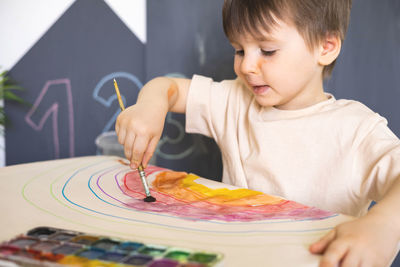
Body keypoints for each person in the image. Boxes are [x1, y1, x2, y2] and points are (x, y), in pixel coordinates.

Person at [116, 0, 400, 266]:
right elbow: (171, 88)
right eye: (239, 50)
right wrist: (150, 106)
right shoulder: (235, 101)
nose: (246, 67)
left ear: (325, 47)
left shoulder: (356, 130)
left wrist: (383, 225)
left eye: (267, 51)